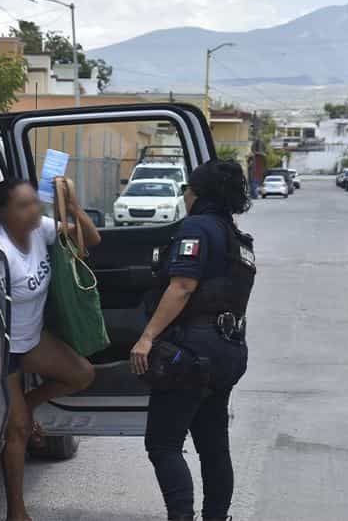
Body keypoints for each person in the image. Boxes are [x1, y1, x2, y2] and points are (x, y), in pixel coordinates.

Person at [130, 159, 256, 521]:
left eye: (187, 189)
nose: (184, 195)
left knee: (163, 443)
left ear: (197, 193)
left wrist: (147, 337)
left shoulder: (197, 227)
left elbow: (182, 286)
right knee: (213, 444)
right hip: (228, 348)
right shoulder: (235, 237)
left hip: (193, 351)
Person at [0, 177, 100, 521]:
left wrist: (73, 203)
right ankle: (17, 512)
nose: (34, 210)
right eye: (24, 205)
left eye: (36, 202)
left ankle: (29, 403)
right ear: (2, 213)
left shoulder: (41, 228)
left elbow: (91, 240)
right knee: (18, 429)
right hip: (4, 350)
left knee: (83, 374)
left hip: (33, 340)